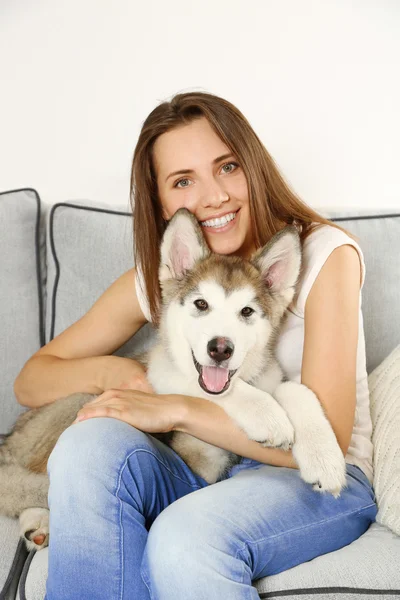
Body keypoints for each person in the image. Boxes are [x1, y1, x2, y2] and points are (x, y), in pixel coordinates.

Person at [14, 92, 377, 600]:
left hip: (312, 476)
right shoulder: (176, 273)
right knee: (85, 442)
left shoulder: (318, 255)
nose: (214, 196)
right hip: (198, 465)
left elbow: (327, 443)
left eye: (227, 167)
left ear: (253, 166)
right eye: (183, 181)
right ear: (162, 203)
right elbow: (33, 380)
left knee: (182, 537)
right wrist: (120, 378)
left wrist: (175, 409)